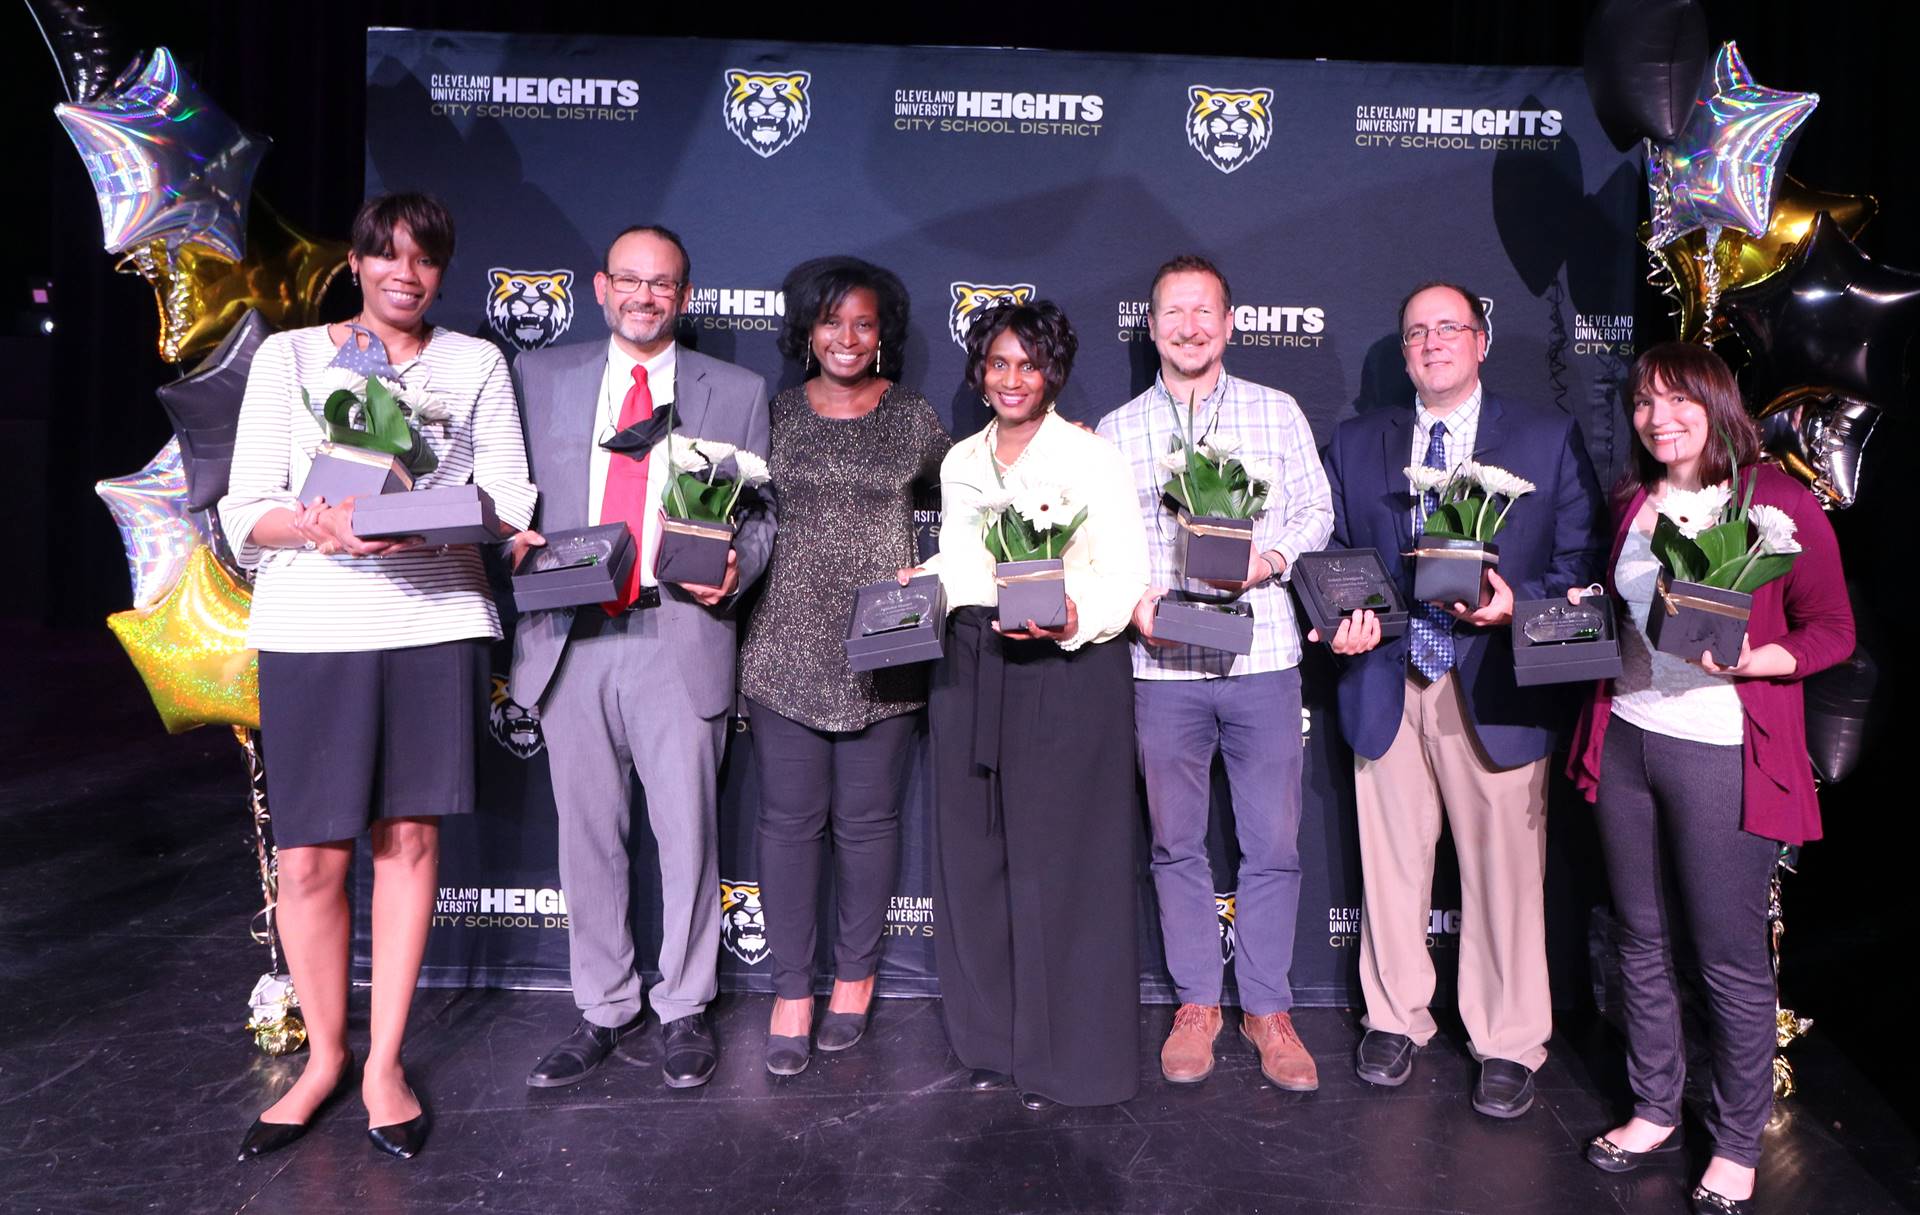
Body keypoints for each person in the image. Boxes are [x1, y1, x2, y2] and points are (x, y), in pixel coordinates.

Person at [221, 191, 537, 1161]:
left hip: (432, 621)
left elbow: (506, 492)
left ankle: (384, 1062)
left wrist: (506, 531)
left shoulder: (475, 362)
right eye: (386, 255)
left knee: (407, 841)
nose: (407, 273)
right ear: (355, 263)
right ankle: (323, 1058)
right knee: (312, 859)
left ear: (444, 270)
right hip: (313, 629)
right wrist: (313, 523)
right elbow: (247, 509)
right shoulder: (291, 357)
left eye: (426, 259)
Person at [1568, 343, 1852, 1215]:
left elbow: (1833, 628)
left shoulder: (1776, 501)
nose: (1660, 419)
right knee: (1640, 940)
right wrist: (1589, 612)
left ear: (1717, 404)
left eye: (1678, 401)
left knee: (1728, 960)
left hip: (1724, 752)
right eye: (1646, 404)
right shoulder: (1633, 504)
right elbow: (1632, 617)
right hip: (1629, 740)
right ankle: (1655, 1106)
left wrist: (1768, 657)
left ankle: (1736, 1142)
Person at [1319, 280, 1602, 1118]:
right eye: (1416, 332)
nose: (1433, 342)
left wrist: (1520, 606)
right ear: (1404, 352)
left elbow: (1581, 568)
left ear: (1481, 341)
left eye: (1449, 328)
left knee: (1507, 875)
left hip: (1498, 681)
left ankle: (1508, 1037)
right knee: (1392, 863)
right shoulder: (1359, 440)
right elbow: (1333, 553)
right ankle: (1394, 1014)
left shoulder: (1548, 440)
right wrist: (1344, 619)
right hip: (1388, 678)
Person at [511, 225, 773, 1090]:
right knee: (587, 836)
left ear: (686, 297)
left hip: (678, 632)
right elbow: (510, 497)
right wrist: (506, 538)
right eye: (630, 280)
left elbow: (763, 516)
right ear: (600, 287)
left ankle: (686, 1004)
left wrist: (741, 564)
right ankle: (604, 1006)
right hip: (571, 635)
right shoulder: (539, 377)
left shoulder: (734, 389)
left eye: (663, 284)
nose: (645, 296)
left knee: (688, 833)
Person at [1096, 255, 1333, 1091]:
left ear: (1229, 324)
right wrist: (1134, 603)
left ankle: (1268, 1007)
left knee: (1273, 844)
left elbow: (1315, 510)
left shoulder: (1278, 412)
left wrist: (1266, 560)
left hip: (1262, 656)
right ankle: (1197, 1000)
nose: (1190, 326)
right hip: (1162, 668)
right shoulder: (1117, 431)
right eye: (1174, 312)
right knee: (1175, 844)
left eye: (1205, 312)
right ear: (1152, 327)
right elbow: (1100, 546)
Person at [911, 300, 1149, 1109]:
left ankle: (1072, 1060)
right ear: (980, 372)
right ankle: (992, 1041)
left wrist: (1077, 613)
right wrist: (926, 587)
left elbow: (1123, 577)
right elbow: (961, 561)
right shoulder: (959, 460)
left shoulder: (1093, 458)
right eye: (998, 363)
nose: (1013, 379)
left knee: (1065, 864)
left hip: (1065, 669)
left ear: (1053, 372)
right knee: (973, 854)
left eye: (1029, 363)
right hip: (969, 663)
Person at [737, 256, 950, 1075]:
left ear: (882, 332)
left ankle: (854, 983)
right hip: (785, 648)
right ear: (808, 330)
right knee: (787, 827)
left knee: (867, 830)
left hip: (883, 653)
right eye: (832, 322)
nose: (848, 338)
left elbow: (972, 494)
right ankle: (793, 988)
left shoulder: (914, 418)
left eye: (864, 323)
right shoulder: (775, 414)